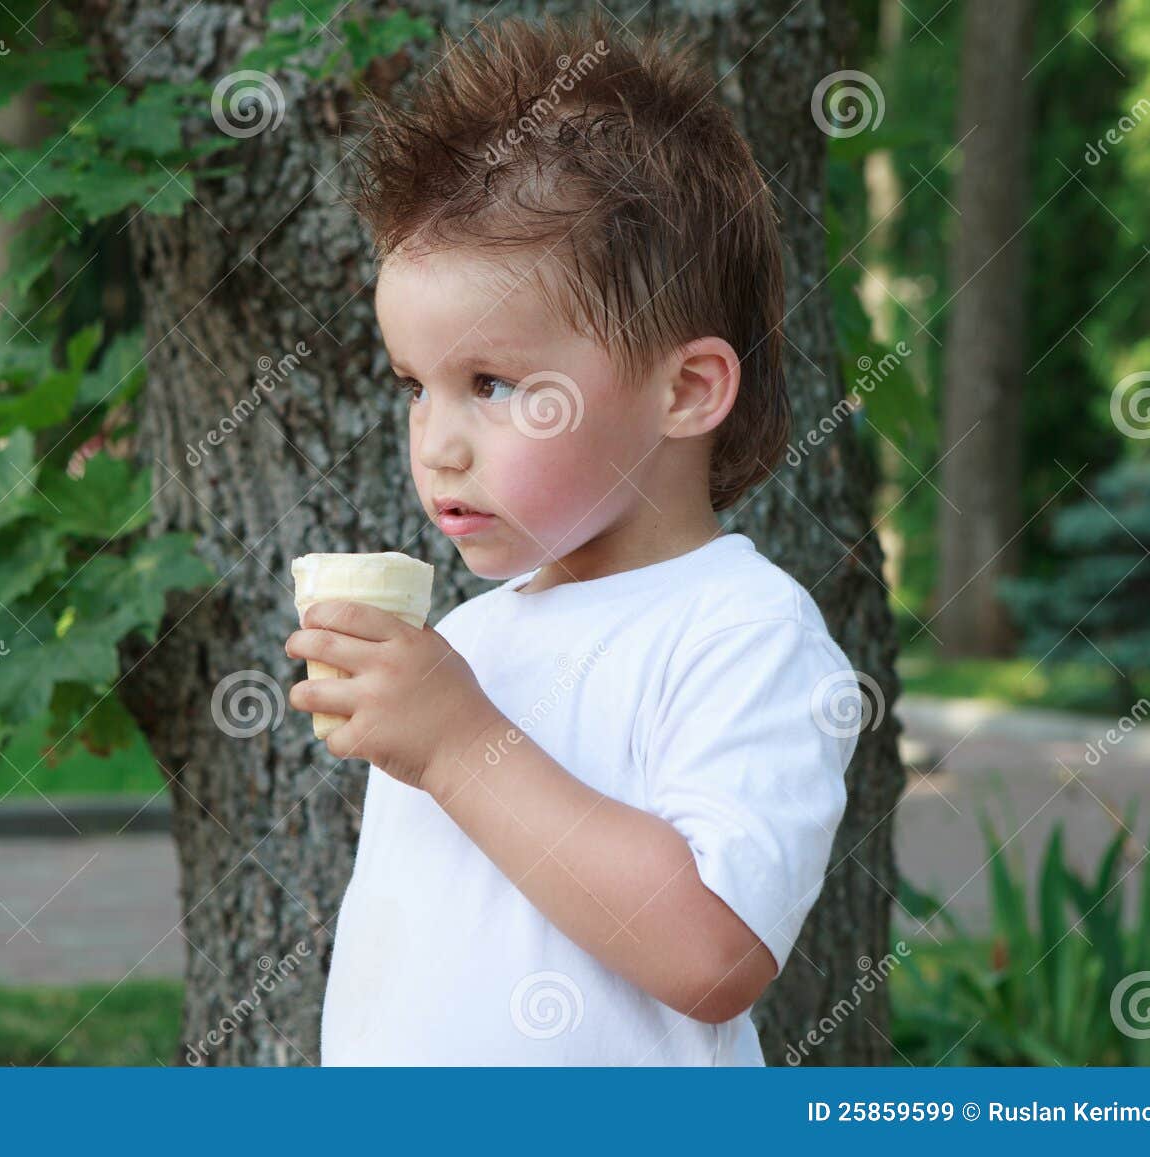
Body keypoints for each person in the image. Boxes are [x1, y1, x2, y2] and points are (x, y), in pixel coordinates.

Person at [284, 11, 859, 1065]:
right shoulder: (469, 635)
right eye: (415, 385)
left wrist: (461, 746)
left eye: (493, 383)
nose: (436, 445)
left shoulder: (741, 631)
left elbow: (714, 954)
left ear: (685, 389)